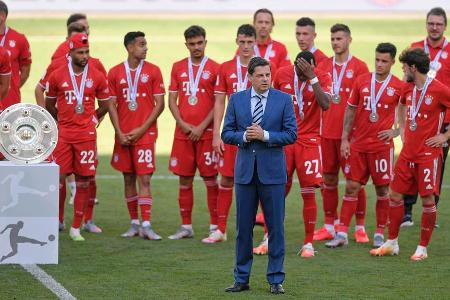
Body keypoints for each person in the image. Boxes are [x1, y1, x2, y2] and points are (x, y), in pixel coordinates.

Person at [222, 57, 296, 294]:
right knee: (243, 229)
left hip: (273, 175)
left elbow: (291, 134)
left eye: (268, 75)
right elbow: (227, 133)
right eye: (260, 75)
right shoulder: (236, 100)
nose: (265, 79)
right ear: (250, 77)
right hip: (245, 175)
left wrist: (265, 135)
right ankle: (241, 278)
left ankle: (276, 279)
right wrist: (244, 137)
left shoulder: (283, 100)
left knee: (276, 228)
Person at [371, 47, 450, 260]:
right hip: (407, 155)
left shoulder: (440, 89)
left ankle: (422, 248)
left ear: (413, 68)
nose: (402, 69)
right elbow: (401, 107)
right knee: (394, 195)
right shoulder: (407, 88)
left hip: (428, 155)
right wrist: (402, 130)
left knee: (427, 201)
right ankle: (392, 242)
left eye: (404, 66)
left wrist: (444, 137)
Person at [325, 43, 404, 249]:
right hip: (358, 145)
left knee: (382, 190)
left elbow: (407, 113)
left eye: (384, 61)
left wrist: (396, 131)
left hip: (381, 147)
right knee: (352, 187)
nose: (379, 64)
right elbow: (350, 111)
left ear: (392, 62)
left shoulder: (398, 87)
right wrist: (344, 139)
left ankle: (379, 233)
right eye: (377, 59)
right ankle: (341, 233)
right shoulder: (361, 81)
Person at [37, 31, 107, 233]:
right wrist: (61, 121)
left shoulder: (96, 69)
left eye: (87, 52)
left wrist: (93, 119)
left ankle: (83, 223)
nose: (85, 56)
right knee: (58, 176)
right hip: (65, 134)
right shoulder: (57, 70)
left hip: (86, 135)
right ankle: (58, 220)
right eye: (81, 52)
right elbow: (45, 97)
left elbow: (107, 101)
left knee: (87, 177)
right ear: (70, 50)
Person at [314, 24, 370, 242]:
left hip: (350, 136)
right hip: (326, 133)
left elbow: (366, 103)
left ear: (349, 40)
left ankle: (360, 227)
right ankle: (330, 224)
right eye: (333, 38)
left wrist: (354, 135)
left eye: (339, 38)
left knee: (354, 181)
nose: (335, 42)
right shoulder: (322, 65)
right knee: (328, 179)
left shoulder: (360, 67)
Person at [273, 51, 331, 257]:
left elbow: (325, 104)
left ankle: (308, 244)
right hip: (285, 139)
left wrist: (312, 77)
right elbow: (271, 104)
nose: (301, 75)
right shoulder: (281, 74)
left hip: (310, 141)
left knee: (308, 191)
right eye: (300, 71)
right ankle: (269, 238)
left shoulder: (323, 77)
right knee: (275, 188)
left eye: (306, 71)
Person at [108, 31, 165, 240]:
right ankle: (134, 223)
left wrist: (141, 130)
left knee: (145, 178)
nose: (146, 47)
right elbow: (110, 105)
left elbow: (160, 105)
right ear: (130, 47)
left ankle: (147, 224)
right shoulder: (114, 72)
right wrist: (119, 131)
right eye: (142, 44)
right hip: (123, 135)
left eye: (146, 43)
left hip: (145, 135)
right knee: (128, 177)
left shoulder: (154, 71)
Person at [167, 25, 220, 240]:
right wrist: (182, 123)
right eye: (192, 44)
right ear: (186, 45)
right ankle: (186, 226)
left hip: (206, 134)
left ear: (205, 43)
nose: (196, 47)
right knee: (184, 180)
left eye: (200, 43)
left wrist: (201, 127)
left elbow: (219, 102)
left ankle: (215, 226)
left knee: (210, 180)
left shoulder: (216, 68)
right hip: (183, 134)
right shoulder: (177, 67)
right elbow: (172, 99)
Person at [205, 24, 256, 244]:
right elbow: (218, 103)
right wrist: (216, 134)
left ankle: (259, 233)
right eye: (242, 42)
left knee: (258, 180)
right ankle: (221, 229)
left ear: (255, 42)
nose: (245, 46)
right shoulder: (225, 68)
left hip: (256, 134)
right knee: (226, 178)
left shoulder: (263, 67)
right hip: (233, 134)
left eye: (249, 42)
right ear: (237, 41)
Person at [403, 7, 450, 227]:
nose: (434, 27)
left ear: (445, 26)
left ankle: (431, 210)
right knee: (410, 160)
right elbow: (406, 83)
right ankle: (407, 212)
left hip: (442, 116)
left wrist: (446, 135)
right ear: (426, 24)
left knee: (436, 164)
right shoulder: (414, 48)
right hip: (416, 117)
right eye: (431, 23)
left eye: (439, 24)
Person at [0, 1, 32, 111]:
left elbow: (25, 72)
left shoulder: (19, 39)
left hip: (10, 103)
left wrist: (11, 87)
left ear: (2, 17)